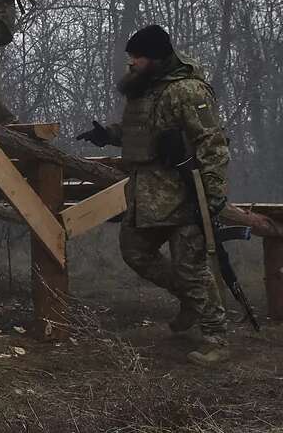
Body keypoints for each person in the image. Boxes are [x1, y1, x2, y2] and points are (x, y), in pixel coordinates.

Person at [75, 25, 230, 365]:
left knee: (192, 268)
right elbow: (142, 133)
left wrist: (214, 191)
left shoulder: (187, 90)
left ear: (157, 58)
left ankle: (216, 335)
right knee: (135, 251)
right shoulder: (145, 89)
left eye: (138, 57)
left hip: (183, 193)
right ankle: (191, 300)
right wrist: (108, 135)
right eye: (131, 57)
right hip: (147, 194)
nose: (131, 64)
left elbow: (212, 142)